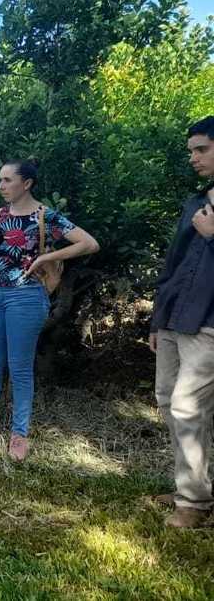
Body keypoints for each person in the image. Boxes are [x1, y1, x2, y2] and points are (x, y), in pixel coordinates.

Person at [0, 158, 99, 462]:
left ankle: (19, 434)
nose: (1, 186)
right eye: (0, 180)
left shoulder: (45, 216)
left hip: (25, 296)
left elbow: (89, 243)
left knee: (20, 368)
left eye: (8, 180)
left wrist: (43, 260)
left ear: (27, 184)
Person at [148, 115, 214, 529]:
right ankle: (192, 485)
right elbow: (173, 264)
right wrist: (157, 321)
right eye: (191, 150)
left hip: (209, 323)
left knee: (188, 408)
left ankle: (194, 504)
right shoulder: (195, 202)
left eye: (202, 149)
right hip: (175, 317)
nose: (193, 158)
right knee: (168, 400)